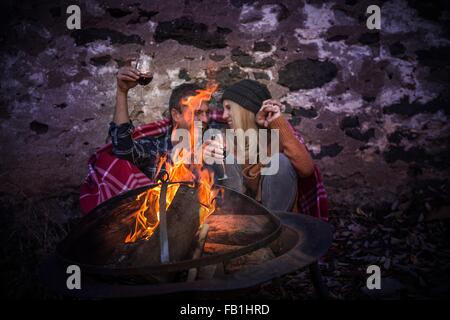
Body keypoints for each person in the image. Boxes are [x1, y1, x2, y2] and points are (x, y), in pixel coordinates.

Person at [79, 64, 224, 214]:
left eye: (206, 113)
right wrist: (122, 92)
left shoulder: (213, 143)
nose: (205, 119)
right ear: (176, 115)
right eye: (198, 113)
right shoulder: (156, 148)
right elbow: (123, 151)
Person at [221, 79, 328, 219]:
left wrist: (276, 121)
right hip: (241, 218)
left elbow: (307, 169)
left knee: (280, 162)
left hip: (277, 218)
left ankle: (276, 233)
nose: (224, 115)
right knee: (221, 159)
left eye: (229, 108)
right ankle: (230, 229)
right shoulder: (227, 139)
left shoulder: (279, 134)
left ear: (246, 110)